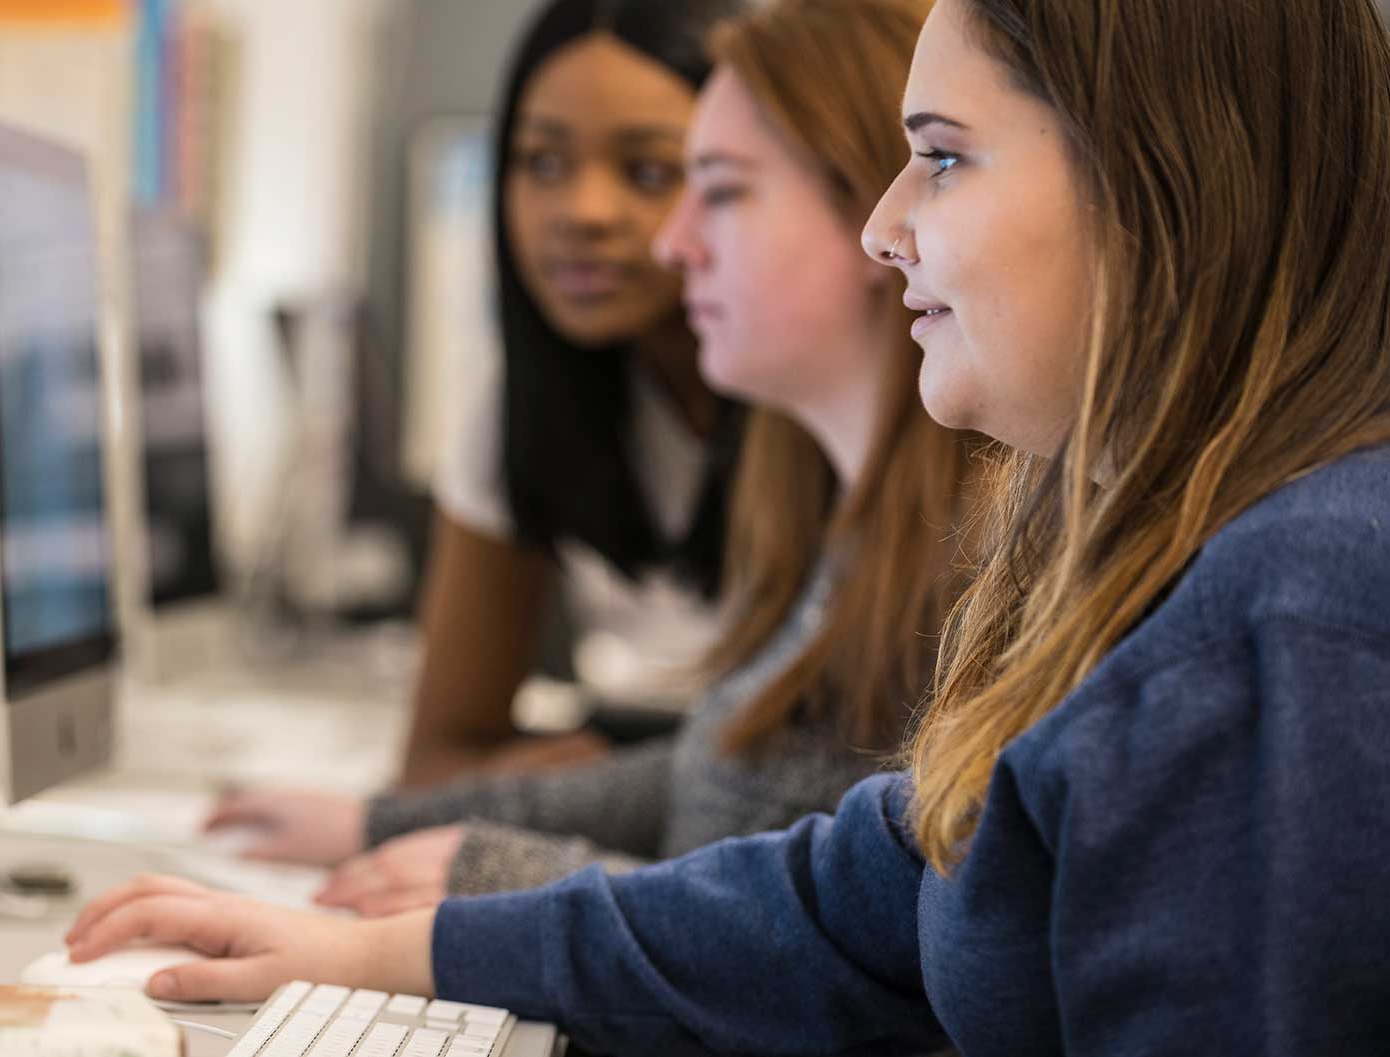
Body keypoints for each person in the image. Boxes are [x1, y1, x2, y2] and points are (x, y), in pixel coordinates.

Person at [63, 0, 1390, 1052]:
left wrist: (441, 886)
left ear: (1156, 178)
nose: (886, 229)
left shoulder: (1290, 613)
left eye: (938, 158)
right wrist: (397, 948)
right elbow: (851, 898)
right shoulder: (1131, 554)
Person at [205, 0, 975, 925]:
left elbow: (833, 921)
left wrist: (510, 878)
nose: (663, 236)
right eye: (539, 163)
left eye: (707, 184)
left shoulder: (968, 537)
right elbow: (731, 783)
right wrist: (387, 824)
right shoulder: (840, 499)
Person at [389, 0, 748, 790]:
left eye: (649, 171)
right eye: (541, 163)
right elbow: (433, 759)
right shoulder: (525, 399)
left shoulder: (824, 399)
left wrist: (593, 794)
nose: (580, 213)